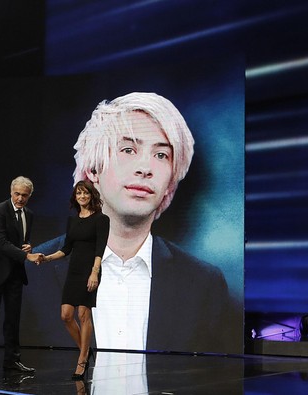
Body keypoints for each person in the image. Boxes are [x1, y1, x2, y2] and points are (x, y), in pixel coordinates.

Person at [26, 92, 232, 354]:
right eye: (128, 149)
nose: (145, 167)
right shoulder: (34, 273)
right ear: (93, 170)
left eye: (161, 155)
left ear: (170, 182)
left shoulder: (205, 283)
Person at [39, 180, 110, 380]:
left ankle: (81, 361)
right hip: (74, 271)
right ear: (75, 197)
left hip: (90, 270)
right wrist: (47, 258)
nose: (82, 197)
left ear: (91, 195)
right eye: (79, 193)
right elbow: (66, 248)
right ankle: (86, 352)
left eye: (85, 193)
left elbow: (100, 248)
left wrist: (95, 272)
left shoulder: (101, 219)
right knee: (66, 315)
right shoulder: (73, 221)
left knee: (83, 313)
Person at [0, 176, 43, 377]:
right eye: (17, 194)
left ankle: (12, 361)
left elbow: (20, 239)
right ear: (11, 192)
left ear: (30, 196)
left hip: (14, 271)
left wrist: (27, 245)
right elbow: (0, 242)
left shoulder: (29, 214)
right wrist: (27, 255)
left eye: (25, 195)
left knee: (13, 319)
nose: (20, 198)